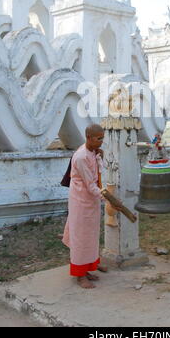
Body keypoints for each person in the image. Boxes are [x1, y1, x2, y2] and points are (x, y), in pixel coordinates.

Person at [62, 124, 107, 289]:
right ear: (88, 137)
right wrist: (107, 198)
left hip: (92, 200)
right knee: (80, 236)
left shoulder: (92, 152)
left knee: (91, 235)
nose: (102, 141)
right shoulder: (81, 156)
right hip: (81, 200)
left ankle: (88, 268)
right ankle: (80, 275)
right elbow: (89, 183)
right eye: (99, 138)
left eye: (102, 138)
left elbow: (97, 174)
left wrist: (99, 156)